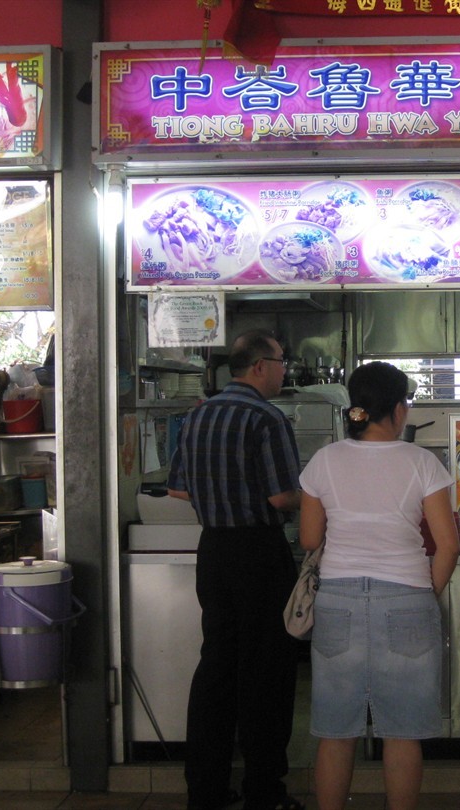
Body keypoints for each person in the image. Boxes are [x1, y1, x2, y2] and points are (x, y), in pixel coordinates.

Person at [298, 362, 460, 810]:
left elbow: (310, 539)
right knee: (402, 733)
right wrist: (425, 595)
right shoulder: (422, 463)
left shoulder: (325, 460)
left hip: (338, 601)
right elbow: (447, 547)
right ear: (399, 409)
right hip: (406, 596)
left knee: (336, 732)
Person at [167, 329, 305, 810]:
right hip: (259, 553)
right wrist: (318, 497)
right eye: (283, 360)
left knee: (217, 669)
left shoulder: (198, 414)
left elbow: (179, 490)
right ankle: (263, 792)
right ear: (260, 366)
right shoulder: (267, 418)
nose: (286, 369)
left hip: (215, 553)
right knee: (266, 673)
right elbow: (282, 496)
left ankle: (205, 790)